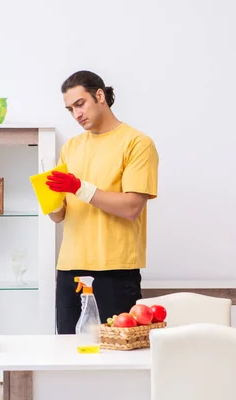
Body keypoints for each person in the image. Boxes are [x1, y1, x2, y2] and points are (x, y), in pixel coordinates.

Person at [45, 70, 159, 335]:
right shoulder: (71, 147)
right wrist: (49, 200)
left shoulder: (137, 143)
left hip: (115, 270)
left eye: (80, 104)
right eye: (70, 109)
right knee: (67, 353)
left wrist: (79, 187)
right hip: (70, 269)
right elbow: (60, 215)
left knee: (118, 354)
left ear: (100, 96)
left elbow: (132, 207)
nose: (76, 114)